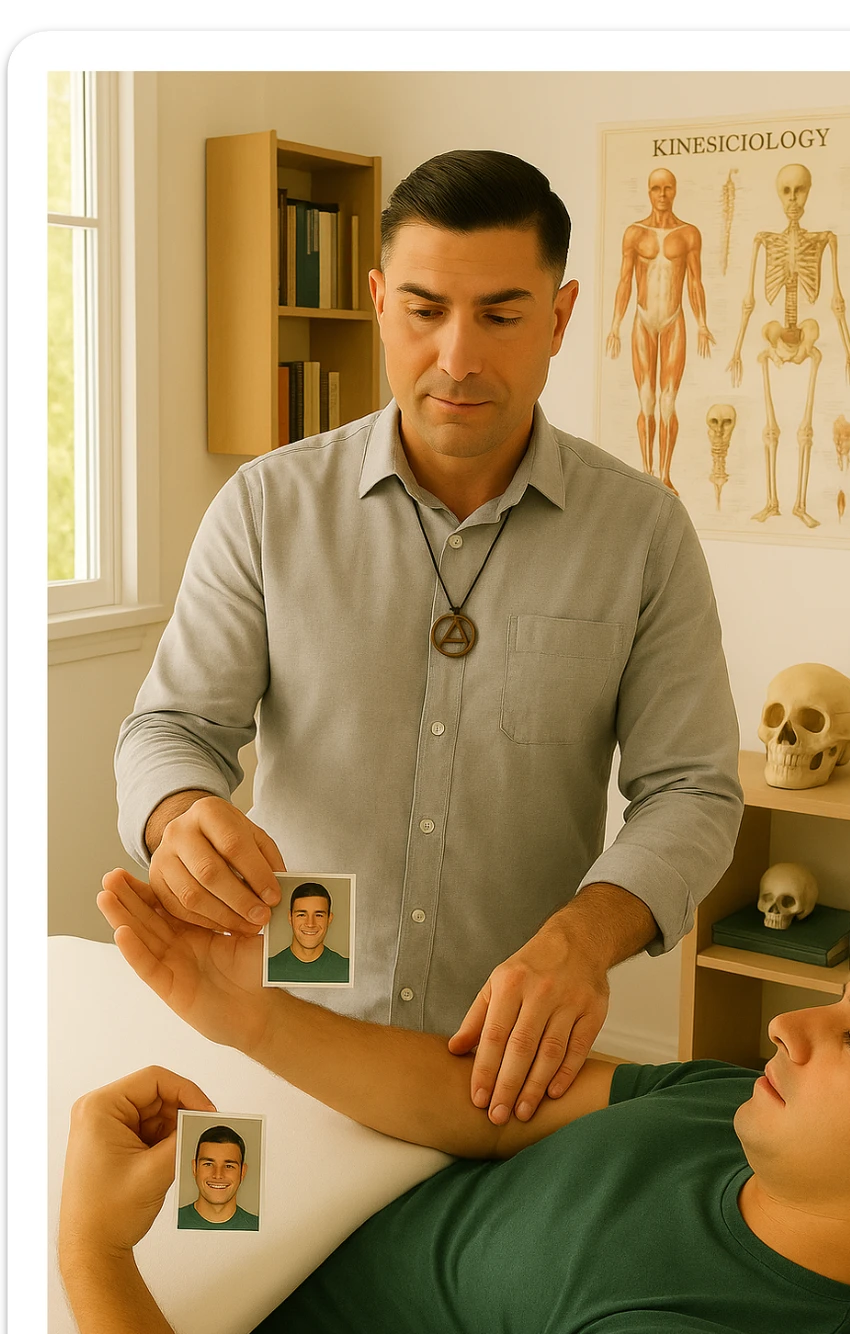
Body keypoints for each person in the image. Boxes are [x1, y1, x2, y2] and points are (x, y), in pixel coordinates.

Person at [114, 149, 742, 1131]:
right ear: (376, 302)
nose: (457, 356)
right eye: (423, 310)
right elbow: (170, 726)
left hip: (504, 1075)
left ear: (561, 318)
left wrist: (582, 938)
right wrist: (180, 812)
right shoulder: (265, 508)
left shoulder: (643, 532)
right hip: (288, 1033)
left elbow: (692, 788)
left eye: (499, 315)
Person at [65, 870, 850, 1334]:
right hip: (257, 1255)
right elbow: (488, 1107)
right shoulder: (732, 1108)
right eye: (837, 1002)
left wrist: (93, 1259)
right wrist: (245, 1015)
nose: (787, 1026)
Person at [605, 166, 715, 493]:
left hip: (673, 319)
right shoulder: (635, 234)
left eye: (667, 188)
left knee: (668, 403)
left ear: (675, 190)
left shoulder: (688, 234)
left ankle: (664, 475)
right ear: (649, 192)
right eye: (656, 188)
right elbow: (625, 280)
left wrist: (703, 324)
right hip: (643, 319)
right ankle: (647, 472)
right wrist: (615, 325)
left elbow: (695, 281)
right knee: (646, 401)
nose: (662, 194)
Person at [178, 1125, 259, 1231]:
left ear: (242, 1172)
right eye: (208, 1164)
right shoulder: (171, 1221)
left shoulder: (258, 1227)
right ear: (194, 1168)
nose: (218, 1175)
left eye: (229, 1166)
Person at [267, 883, 350, 984]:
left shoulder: (347, 969)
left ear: (329, 919)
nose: (310, 924)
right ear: (290, 917)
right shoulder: (268, 969)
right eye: (302, 915)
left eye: (319, 915)